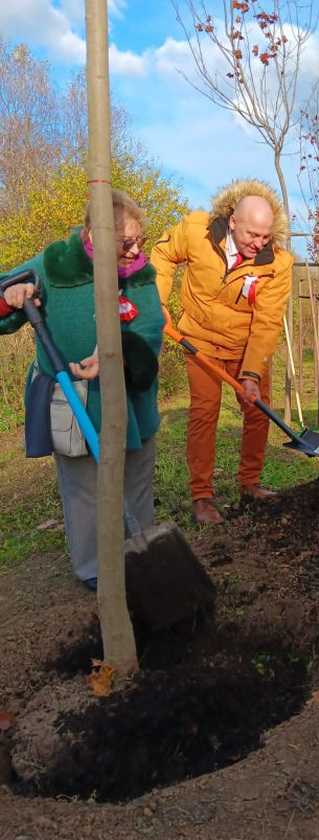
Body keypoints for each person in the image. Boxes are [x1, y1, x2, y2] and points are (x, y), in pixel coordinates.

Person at [0, 190, 164, 589]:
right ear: (94, 233)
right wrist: (10, 296)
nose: (136, 250)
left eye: (140, 240)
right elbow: (5, 299)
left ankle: (140, 559)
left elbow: (150, 327)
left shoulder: (139, 273)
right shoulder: (54, 264)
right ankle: (93, 569)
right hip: (72, 400)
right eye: (126, 242)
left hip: (130, 400)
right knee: (84, 488)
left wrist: (117, 359)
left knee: (135, 479)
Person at [151, 179, 294, 525]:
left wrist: (251, 374)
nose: (258, 243)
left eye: (265, 236)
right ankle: (202, 497)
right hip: (199, 341)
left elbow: (268, 321)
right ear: (232, 221)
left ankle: (250, 483)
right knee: (205, 412)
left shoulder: (278, 264)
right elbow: (162, 254)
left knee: (258, 411)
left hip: (246, 345)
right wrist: (157, 301)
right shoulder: (197, 230)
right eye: (251, 235)